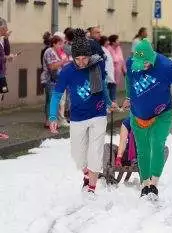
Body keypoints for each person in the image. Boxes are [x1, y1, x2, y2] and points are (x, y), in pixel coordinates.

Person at [122, 39, 172, 199]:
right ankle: (145, 184)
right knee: (142, 149)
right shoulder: (132, 63)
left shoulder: (167, 67)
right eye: (140, 63)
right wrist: (128, 96)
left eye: (145, 62)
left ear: (151, 57)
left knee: (157, 144)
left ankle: (154, 184)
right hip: (137, 114)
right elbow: (129, 80)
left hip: (161, 114)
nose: (143, 66)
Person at [49, 28, 117, 196]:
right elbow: (57, 94)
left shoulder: (97, 65)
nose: (81, 62)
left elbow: (103, 87)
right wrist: (52, 116)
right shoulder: (67, 71)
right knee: (78, 155)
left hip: (98, 114)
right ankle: (87, 173)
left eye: (84, 58)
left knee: (95, 151)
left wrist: (109, 103)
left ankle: (91, 188)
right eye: (77, 58)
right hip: (78, 116)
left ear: (89, 55)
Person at [41, 35, 69, 128]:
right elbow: (52, 66)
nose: (61, 46)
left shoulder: (56, 52)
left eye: (62, 44)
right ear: (54, 43)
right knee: (51, 101)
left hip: (57, 80)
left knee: (54, 101)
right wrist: (63, 61)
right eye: (59, 44)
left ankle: (53, 121)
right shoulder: (49, 52)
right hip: (50, 80)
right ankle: (49, 122)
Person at [0, 17, 16, 100]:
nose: (7, 29)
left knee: (2, 95)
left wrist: (6, 39)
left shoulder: (1, 40)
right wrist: (6, 58)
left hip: (1, 73)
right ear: (1, 28)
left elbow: (7, 52)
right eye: (5, 27)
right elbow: (4, 57)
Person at [99, 36, 116, 101]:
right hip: (106, 72)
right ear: (104, 42)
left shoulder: (106, 50)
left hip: (109, 72)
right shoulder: (102, 50)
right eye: (107, 41)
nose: (108, 42)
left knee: (111, 87)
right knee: (109, 88)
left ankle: (112, 104)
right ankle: (110, 104)